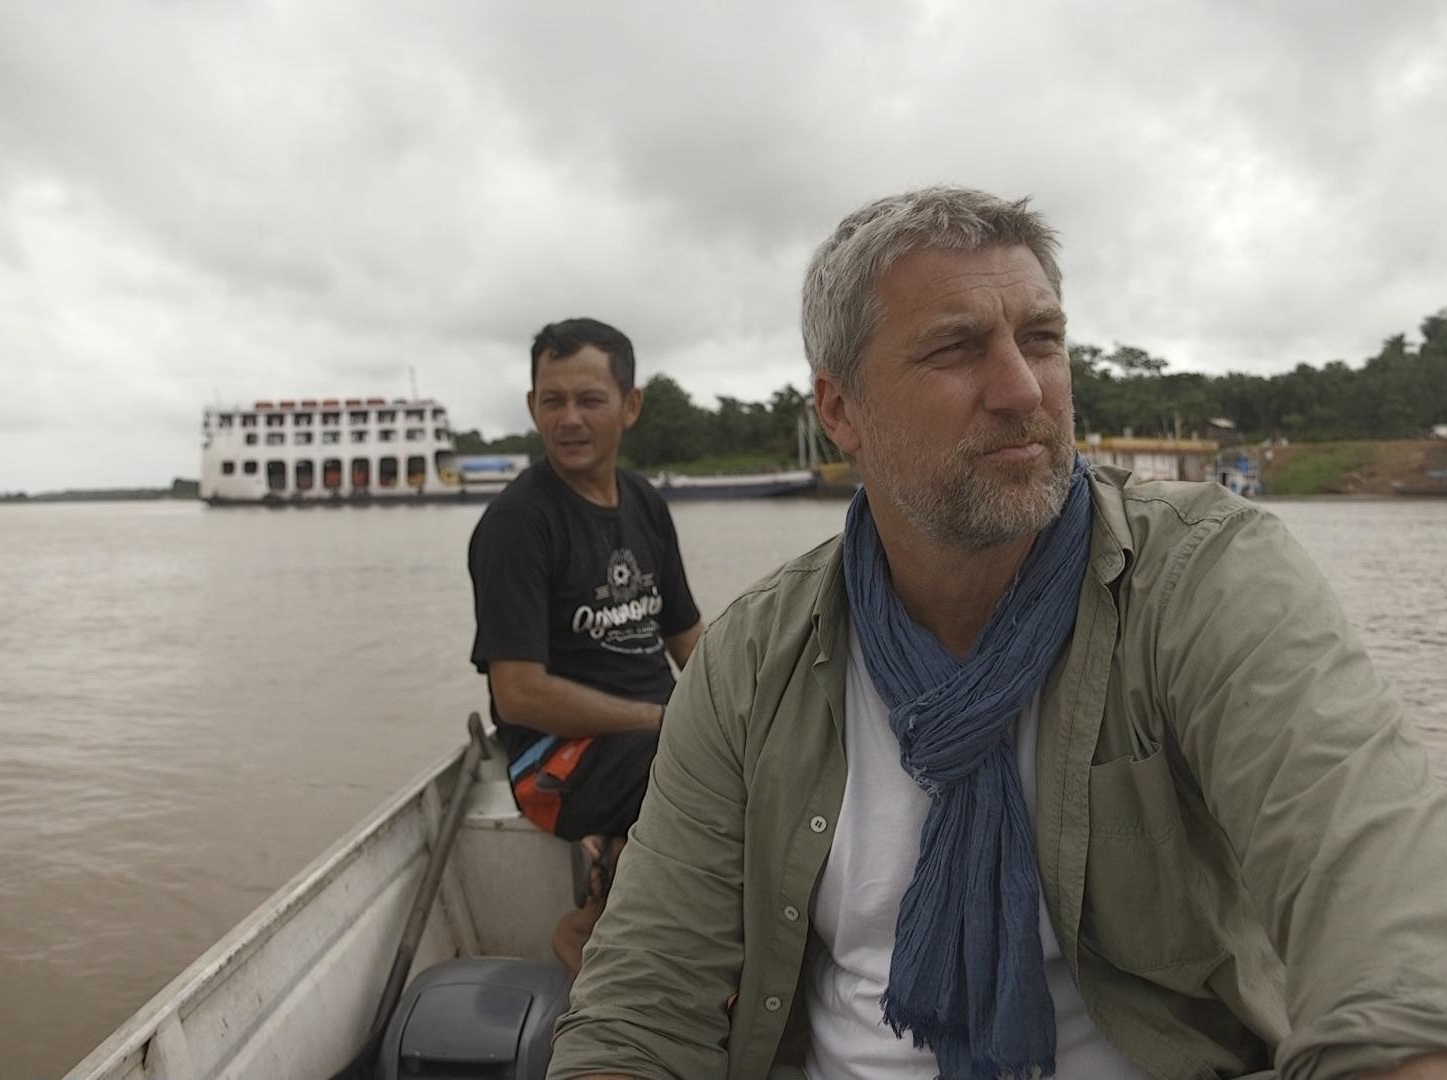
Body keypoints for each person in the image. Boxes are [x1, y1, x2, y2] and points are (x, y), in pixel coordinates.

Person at [547, 190, 1447, 1079]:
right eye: (954, 348)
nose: (1022, 389)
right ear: (840, 410)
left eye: (1042, 340)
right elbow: (642, 1008)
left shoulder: (1203, 580)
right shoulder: (752, 660)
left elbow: (1378, 908)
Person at [468, 317, 703, 972]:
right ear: (531, 406)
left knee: (770, 753)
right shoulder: (517, 525)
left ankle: (628, 908)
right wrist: (664, 720)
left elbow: (687, 635)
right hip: (555, 760)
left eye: (589, 400)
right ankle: (592, 926)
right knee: (702, 768)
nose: (569, 419)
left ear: (630, 406)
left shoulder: (645, 504)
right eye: (553, 400)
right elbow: (518, 695)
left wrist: (745, 703)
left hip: (650, 737)